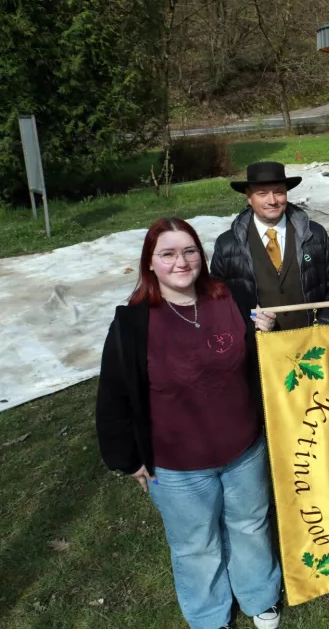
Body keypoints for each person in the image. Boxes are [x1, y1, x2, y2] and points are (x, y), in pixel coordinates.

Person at [96, 218, 283, 629]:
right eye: (167, 254)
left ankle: (259, 596)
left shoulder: (230, 296)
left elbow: (259, 363)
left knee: (251, 525)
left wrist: (266, 333)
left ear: (202, 254)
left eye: (189, 251)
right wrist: (129, 460)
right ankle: (209, 616)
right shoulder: (133, 323)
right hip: (177, 464)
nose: (181, 262)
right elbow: (114, 398)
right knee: (196, 545)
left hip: (243, 450)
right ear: (150, 264)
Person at [210, 161, 329, 330]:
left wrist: (323, 328)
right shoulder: (227, 245)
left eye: (279, 192)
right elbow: (217, 301)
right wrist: (253, 320)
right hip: (260, 350)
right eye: (262, 194)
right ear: (249, 197)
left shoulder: (315, 235)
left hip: (312, 345)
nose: (273, 201)